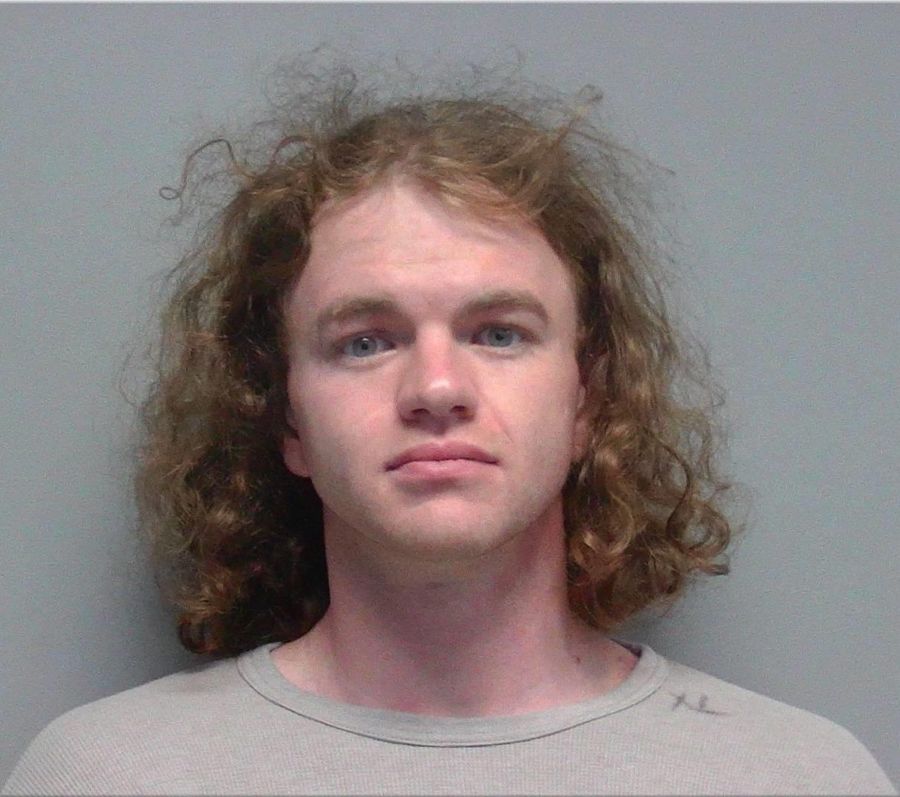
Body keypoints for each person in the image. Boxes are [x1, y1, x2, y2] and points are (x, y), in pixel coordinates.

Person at [3, 64, 894, 796]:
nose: (435, 387)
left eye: (498, 333)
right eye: (365, 341)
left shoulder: (798, 776)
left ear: (588, 399)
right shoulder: (105, 775)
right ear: (285, 417)